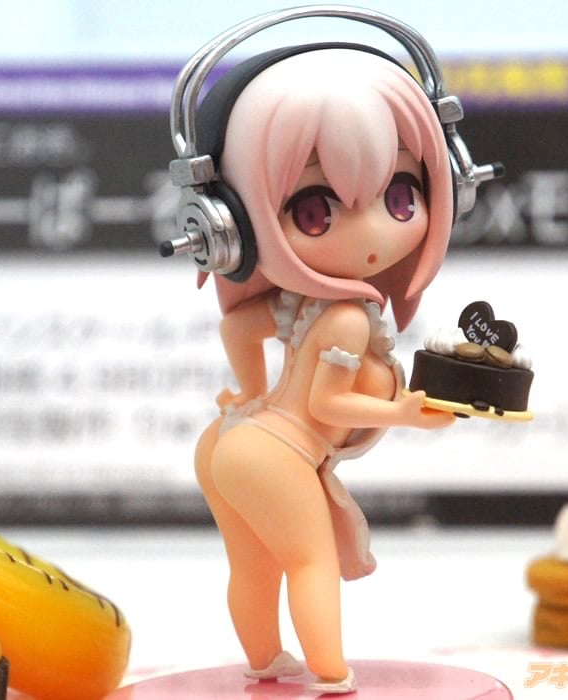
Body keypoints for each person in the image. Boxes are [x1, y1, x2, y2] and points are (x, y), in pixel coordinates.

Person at [194, 47, 456, 693]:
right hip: (279, 452)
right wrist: (401, 412)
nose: (372, 233)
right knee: (311, 563)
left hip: (230, 440)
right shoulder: (345, 318)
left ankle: (266, 661)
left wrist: (252, 393)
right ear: (229, 225)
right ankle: (332, 675)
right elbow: (327, 404)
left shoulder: (297, 302)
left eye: (402, 197)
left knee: (255, 566)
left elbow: (237, 327)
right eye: (316, 211)